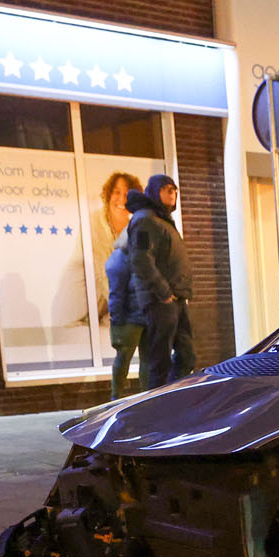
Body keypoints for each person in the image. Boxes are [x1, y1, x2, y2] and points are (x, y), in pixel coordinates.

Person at [128, 173, 195, 389]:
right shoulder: (144, 220)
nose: (173, 194)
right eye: (167, 189)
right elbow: (141, 259)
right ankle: (158, 400)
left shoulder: (162, 220)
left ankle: (174, 395)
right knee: (160, 361)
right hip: (161, 301)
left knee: (187, 356)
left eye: (175, 190)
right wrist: (164, 292)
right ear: (155, 192)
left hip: (176, 298)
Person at [90, 171, 144, 329]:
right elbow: (103, 273)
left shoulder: (136, 226)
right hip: (86, 305)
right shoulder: (94, 223)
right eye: (117, 192)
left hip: (114, 305)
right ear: (108, 195)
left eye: (127, 194)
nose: (122, 199)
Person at [104, 226, 145, 400]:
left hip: (141, 317)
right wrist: (117, 320)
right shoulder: (121, 258)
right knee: (124, 357)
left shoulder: (135, 257)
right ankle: (117, 395)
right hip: (130, 319)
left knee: (140, 360)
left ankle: (144, 395)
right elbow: (116, 293)